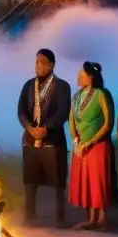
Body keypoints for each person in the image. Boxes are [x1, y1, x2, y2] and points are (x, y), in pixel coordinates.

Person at [17, 49, 71, 226]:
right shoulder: (28, 85)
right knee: (30, 180)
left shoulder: (62, 86)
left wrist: (47, 128)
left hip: (52, 139)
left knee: (57, 181)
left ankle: (60, 218)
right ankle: (29, 216)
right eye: (36, 62)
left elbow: (63, 111)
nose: (37, 65)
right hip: (31, 138)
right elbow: (21, 111)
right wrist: (29, 127)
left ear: (51, 65)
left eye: (41, 62)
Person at [68, 62, 113, 230]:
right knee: (85, 181)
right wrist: (76, 142)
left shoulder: (101, 94)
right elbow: (71, 120)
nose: (78, 78)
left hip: (98, 146)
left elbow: (108, 123)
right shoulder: (77, 96)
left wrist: (90, 142)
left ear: (91, 76)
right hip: (80, 147)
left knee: (97, 181)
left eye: (82, 75)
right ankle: (90, 218)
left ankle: (101, 218)